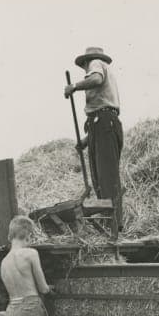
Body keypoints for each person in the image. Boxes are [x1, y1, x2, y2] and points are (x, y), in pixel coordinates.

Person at [64, 46, 124, 232]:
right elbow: (101, 112)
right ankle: (109, 223)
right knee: (100, 179)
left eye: (84, 65)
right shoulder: (100, 70)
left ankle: (114, 225)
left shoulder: (96, 64)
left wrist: (74, 86)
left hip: (104, 123)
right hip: (100, 126)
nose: (85, 69)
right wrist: (87, 139)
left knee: (106, 178)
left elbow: (96, 79)